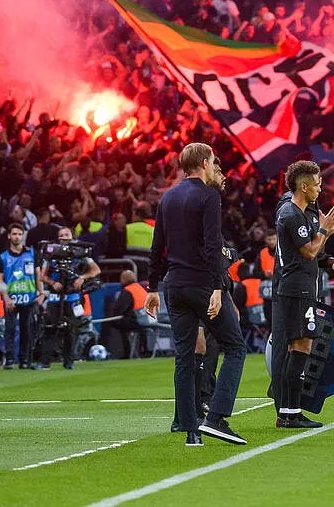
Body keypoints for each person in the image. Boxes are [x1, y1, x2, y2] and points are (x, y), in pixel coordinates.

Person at [146, 142, 248, 447]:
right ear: (204, 162)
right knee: (235, 347)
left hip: (174, 285)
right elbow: (211, 246)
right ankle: (216, 418)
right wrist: (218, 286)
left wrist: (152, 287)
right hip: (202, 283)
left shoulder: (168, 198)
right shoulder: (208, 195)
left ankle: (190, 429)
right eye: (213, 160)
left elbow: (157, 246)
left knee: (184, 355)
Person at [269, 160, 334, 430]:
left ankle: (290, 411)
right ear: (304, 186)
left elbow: (315, 251)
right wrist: (325, 229)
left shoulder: (299, 212)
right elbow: (310, 252)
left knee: (298, 348)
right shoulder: (291, 214)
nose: (320, 189)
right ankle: (290, 413)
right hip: (296, 289)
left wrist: (325, 232)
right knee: (301, 347)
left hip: (298, 288)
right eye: (316, 184)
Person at [39, 225, 97, 370]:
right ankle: (45, 362)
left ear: (72, 236)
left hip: (72, 297)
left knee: (70, 330)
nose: (64, 237)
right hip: (54, 297)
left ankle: (69, 361)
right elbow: (42, 276)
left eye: (67, 234)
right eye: (62, 235)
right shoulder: (50, 253)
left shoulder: (81, 253)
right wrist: (53, 282)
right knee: (50, 328)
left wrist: (82, 278)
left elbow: (96, 270)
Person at [0, 221, 43, 369]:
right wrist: (6, 298)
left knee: (26, 329)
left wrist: (41, 293)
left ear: (23, 236)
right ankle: (9, 360)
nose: (17, 237)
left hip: (29, 297)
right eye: (14, 234)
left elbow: (38, 274)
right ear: (9, 236)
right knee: (9, 329)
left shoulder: (32, 253)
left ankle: (25, 360)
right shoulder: (3, 257)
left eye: (19, 234)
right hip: (12, 298)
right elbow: (0, 279)